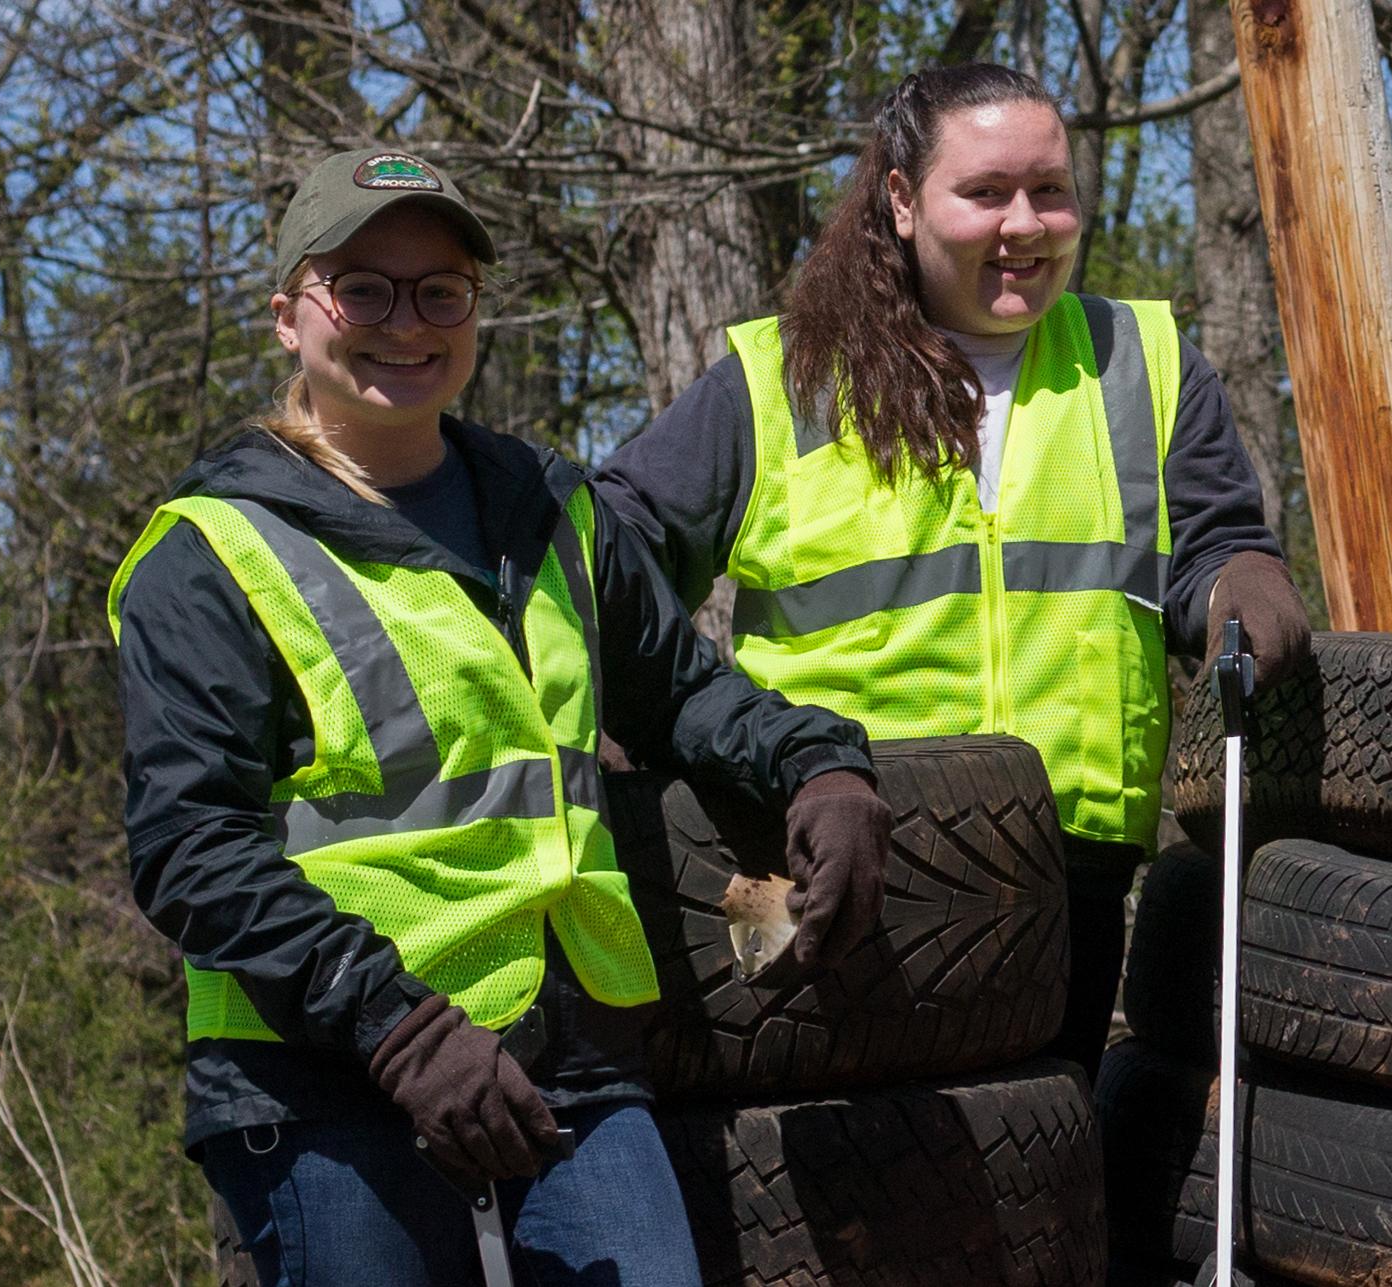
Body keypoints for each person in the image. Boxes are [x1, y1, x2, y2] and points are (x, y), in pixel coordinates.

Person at [588, 63, 1307, 1285]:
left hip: (1059, 873)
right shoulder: (784, 375)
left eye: (1051, 192)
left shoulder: (1145, 360)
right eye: (987, 194)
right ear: (904, 204)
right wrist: (691, 723)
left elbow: (1207, 544)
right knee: (824, 1206)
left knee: (1026, 1211)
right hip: (819, 850)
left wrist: (1241, 575)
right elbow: (604, 552)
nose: (1026, 226)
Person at [116, 147, 885, 1284]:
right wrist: (400, 1027)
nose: (405, 322)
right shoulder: (211, 551)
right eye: (362, 289)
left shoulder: (554, 512)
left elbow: (682, 690)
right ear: (289, 316)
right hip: (331, 1079)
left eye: (441, 290)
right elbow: (189, 849)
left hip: (570, 1067)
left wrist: (821, 767)